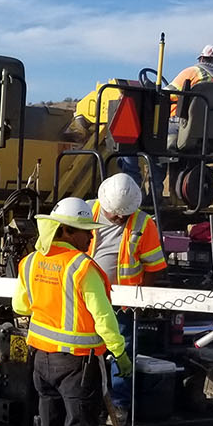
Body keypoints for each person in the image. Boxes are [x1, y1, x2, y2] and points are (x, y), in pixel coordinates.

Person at [13, 197, 131, 426]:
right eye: (83, 232)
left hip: (41, 361)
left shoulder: (31, 262)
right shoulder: (82, 268)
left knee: (51, 423)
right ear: (64, 230)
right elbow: (104, 317)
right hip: (77, 365)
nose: (90, 237)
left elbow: (21, 305)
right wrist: (120, 353)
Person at [88, 172, 167, 413]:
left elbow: (154, 266)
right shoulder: (86, 212)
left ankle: (119, 406)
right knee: (86, 350)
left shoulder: (143, 224)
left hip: (121, 303)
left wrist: (142, 297)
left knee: (122, 351)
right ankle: (89, 401)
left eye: (125, 214)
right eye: (116, 215)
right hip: (86, 298)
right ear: (105, 204)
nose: (121, 218)